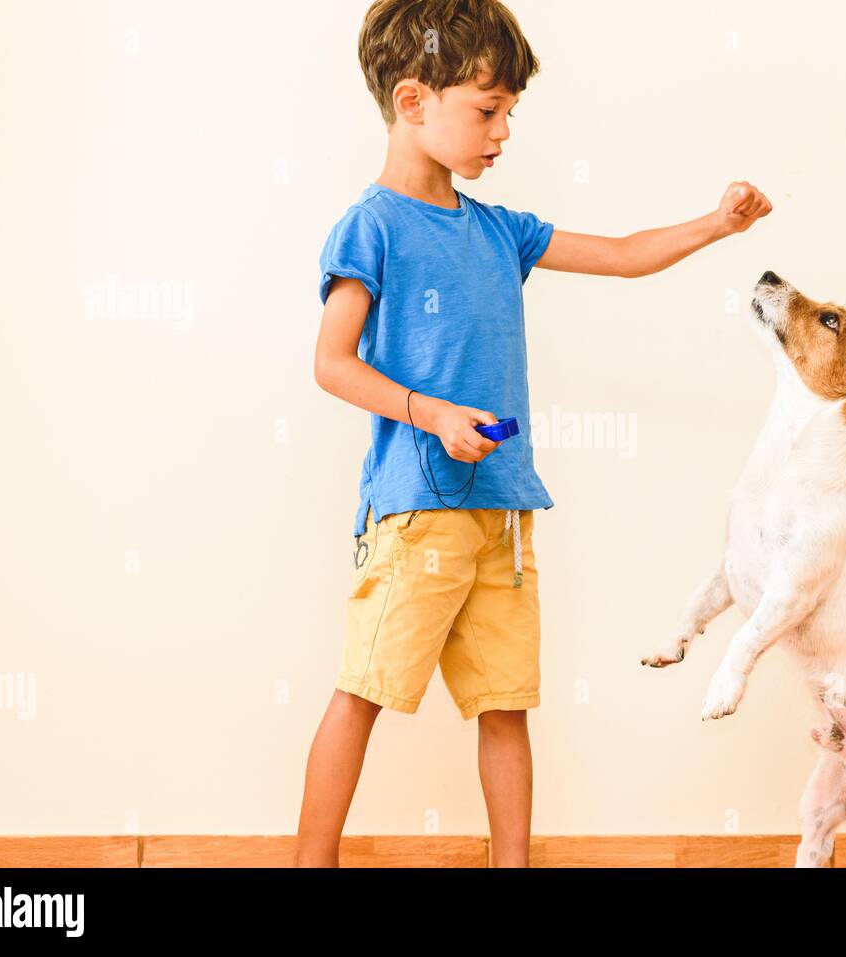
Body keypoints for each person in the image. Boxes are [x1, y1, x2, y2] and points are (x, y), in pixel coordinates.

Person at [295, 0, 771, 867]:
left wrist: (717, 223)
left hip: (505, 518)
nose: (504, 130)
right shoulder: (371, 227)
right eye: (488, 109)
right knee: (364, 689)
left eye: (510, 111)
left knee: (505, 702)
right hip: (415, 519)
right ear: (413, 101)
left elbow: (623, 254)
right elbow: (332, 362)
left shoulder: (498, 229)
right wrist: (432, 413)